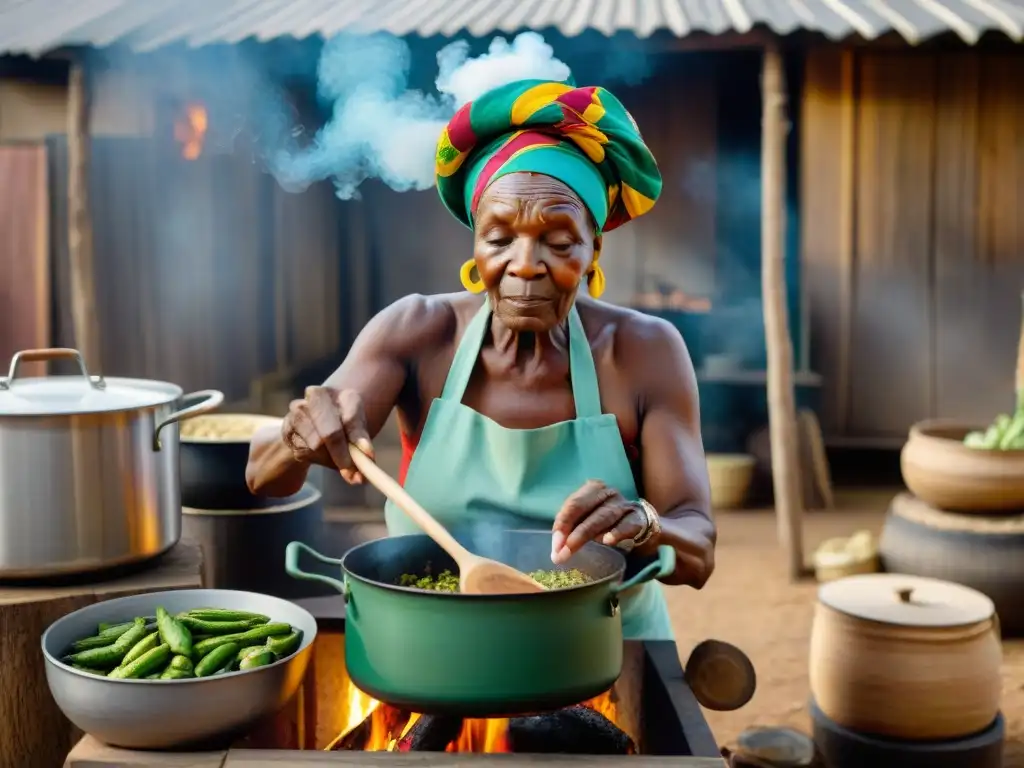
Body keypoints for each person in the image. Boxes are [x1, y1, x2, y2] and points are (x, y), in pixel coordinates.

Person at [246, 79, 715, 639]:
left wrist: (645, 524)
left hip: (602, 649)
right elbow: (262, 475)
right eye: (498, 239)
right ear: (474, 245)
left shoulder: (643, 352)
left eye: (560, 242)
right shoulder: (419, 332)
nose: (524, 265)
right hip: (438, 641)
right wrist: (300, 437)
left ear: (594, 250)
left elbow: (698, 551)